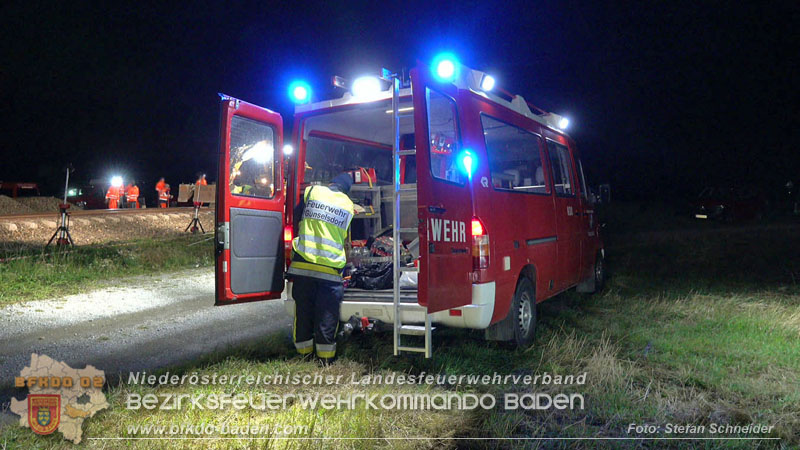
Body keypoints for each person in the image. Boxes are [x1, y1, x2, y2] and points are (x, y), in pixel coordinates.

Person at [286, 173, 355, 365]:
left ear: (332, 183)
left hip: (303, 266)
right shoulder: (348, 205)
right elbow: (344, 236)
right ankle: (325, 361)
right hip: (330, 270)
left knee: (303, 313)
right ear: (346, 190)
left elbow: (297, 215)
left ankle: (303, 356)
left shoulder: (314, 191)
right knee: (327, 316)